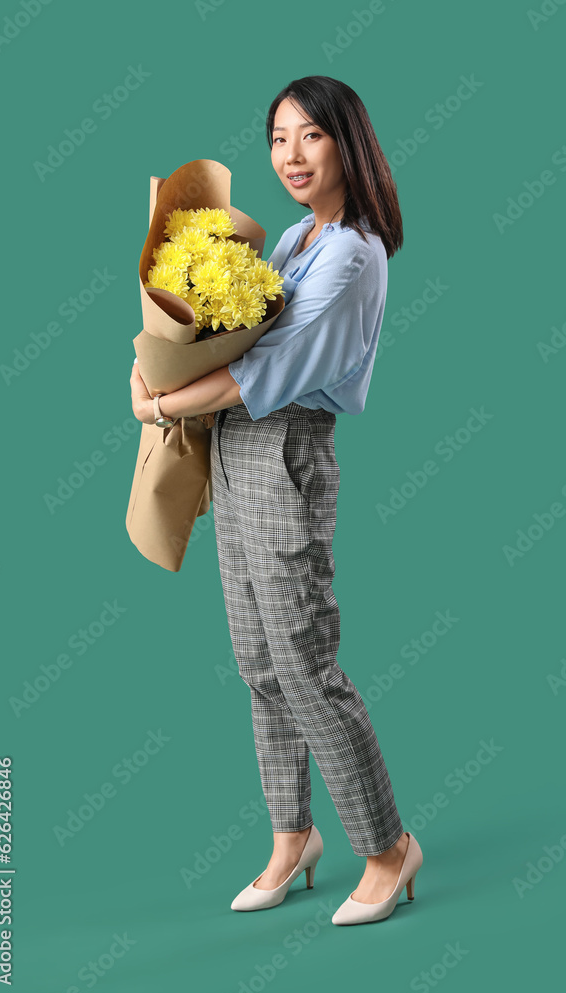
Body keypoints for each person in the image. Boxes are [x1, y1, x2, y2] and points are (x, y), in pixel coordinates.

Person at [130, 75, 423, 926]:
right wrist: (158, 357)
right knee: (257, 663)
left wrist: (158, 401)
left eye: (311, 137)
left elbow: (265, 370)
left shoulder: (351, 253)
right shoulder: (296, 236)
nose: (290, 156)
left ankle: (386, 846)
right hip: (237, 451)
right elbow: (224, 332)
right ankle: (292, 839)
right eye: (278, 138)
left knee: (305, 664)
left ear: (348, 145)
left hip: (287, 448)